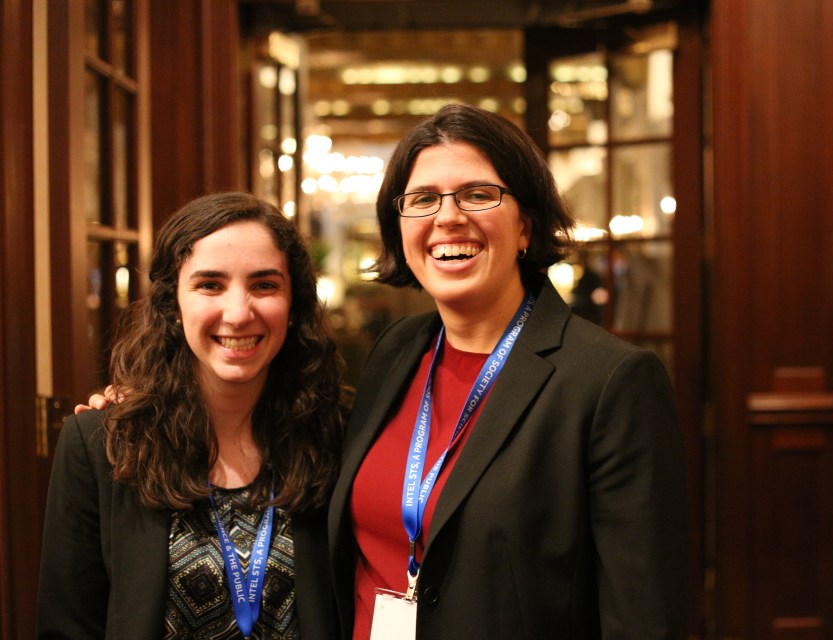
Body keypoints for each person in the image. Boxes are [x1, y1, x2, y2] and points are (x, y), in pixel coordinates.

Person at [328, 103, 688, 639]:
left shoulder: (610, 381)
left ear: (526, 225)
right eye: (423, 199)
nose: (447, 217)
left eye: (477, 194)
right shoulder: (394, 352)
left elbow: (643, 618)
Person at [41, 192, 343, 639]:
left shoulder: (338, 435)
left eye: (264, 285)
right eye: (210, 285)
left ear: (294, 304)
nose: (238, 313)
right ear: (173, 305)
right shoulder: (102, 444)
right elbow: (68, 628)